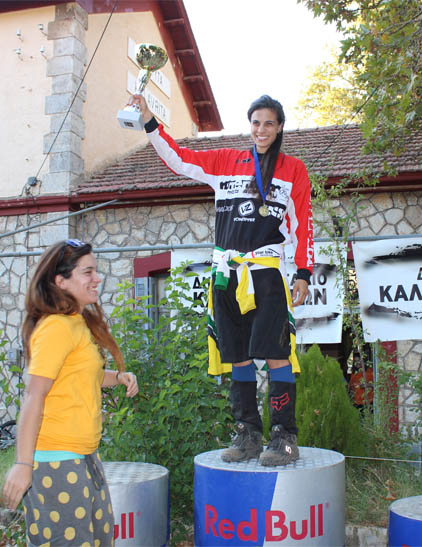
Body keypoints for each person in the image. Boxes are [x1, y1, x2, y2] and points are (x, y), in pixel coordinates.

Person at [128, 93, 314, 466]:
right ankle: (247, 434)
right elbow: (178, 159)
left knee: (277, 354)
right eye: (256, 122)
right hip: (226, 275)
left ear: (279, 128)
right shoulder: (226, 160)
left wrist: (303, 274)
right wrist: (148, 118)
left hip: (266, 272)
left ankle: (284, 437)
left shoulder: (293, 169)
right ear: (250, 126)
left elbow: (303, 225)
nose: (261, 130)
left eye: (269, 123)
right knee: (238, 357)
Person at [1, 239, 138, 546]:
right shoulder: (57, 328)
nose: (97, 278)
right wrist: (23, 465)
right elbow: (35, 395)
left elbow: (77, 375)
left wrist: (118, 377)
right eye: (87, 272)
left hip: (83, 456)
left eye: (96, 271)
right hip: (56, 462)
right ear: (60, 281)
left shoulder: (76, 323)